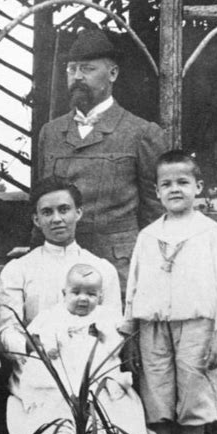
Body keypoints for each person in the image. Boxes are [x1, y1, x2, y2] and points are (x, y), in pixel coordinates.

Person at [123, 150, 217, 434]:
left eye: (183, 182)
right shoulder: (148, 235)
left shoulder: (214, 234)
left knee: (194, 385)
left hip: (197, 322)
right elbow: (134, 282)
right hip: (153, 323)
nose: (175, 189)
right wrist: (130, 325)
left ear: (198, 187)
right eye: (167, 183)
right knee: (155, 386)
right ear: (157, 191)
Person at [38, 28, 167, 292]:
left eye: (87, 69)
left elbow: (156, 213)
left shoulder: (141, 133)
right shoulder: (50, 133)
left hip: (119, 270)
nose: (76, 77)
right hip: (60, 269)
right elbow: (42, 202)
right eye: (71, 69)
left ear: (113, 74)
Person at [0, 177, 122, 434]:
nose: (56, 219)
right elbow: (7, 331)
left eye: (64, 209)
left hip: (92, 367)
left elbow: (114, 329)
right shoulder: (19, 269)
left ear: (78, 212)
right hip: (39, 366)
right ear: (35, 219)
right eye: (47, 212)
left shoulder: (101, 269)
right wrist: (31, 346)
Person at [13, 263, 164, 434]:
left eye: (91, 294)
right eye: (76, 293)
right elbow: (38, 338)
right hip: (63, 374)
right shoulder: (52, 315)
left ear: (100, 297)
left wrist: (103, 333)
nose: (83, 299)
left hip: (97, 374)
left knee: (117, 408)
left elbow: (114, 346)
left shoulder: (106, 317)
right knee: (54, 405)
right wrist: (50, 346)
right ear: (64, 293)